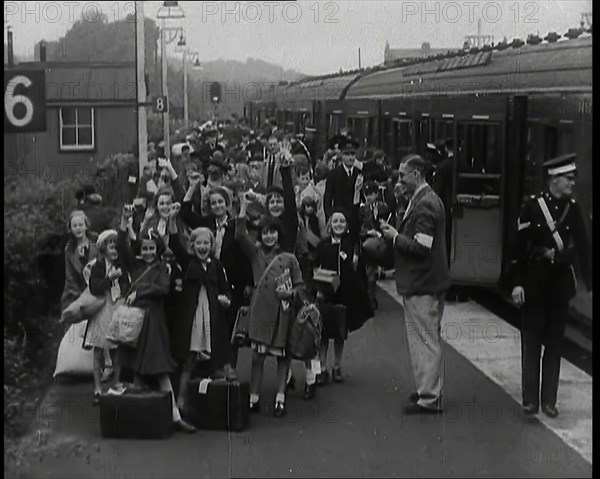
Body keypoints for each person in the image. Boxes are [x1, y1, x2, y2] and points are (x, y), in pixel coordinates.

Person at [510, 153, 592, 419]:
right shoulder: (532, 207)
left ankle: (549, 402)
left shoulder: (573, 207)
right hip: (534, 286)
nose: (572, 184)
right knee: (531, 344)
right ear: (554, 180)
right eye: (568, 179)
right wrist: (517, 283)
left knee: (555, 346)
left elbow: (583, 246)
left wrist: (591, 286)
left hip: (559, 288)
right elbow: (518, 248)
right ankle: (530, 401)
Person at [380, 154, 450, 414]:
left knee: (425, 340)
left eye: (403, 175)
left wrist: (395, 236)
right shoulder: (426, 200)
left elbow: (422, 247)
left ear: (417, 174)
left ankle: (429, 397)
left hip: (422, 282)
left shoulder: (424, 205)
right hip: (428, 281)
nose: (400, 180)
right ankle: (428, 389)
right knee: (427, 337)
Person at [116, 207, 196, 433]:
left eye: (152, 248)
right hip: (135, 322)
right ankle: (145, 418)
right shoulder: (135, 265)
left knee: (160, 370)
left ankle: (174, 415)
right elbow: (122, 246)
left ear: (158, 250)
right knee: (136, 369)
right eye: (145, 248)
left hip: (153, 323)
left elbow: (162, 289)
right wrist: (125, 219)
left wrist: (139, 293)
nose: (148, 252)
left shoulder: (163, 268)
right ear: (140, 249)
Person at [235, 206, 307, 417]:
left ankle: (280, 399)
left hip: (282, 312)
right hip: (261, 310)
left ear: (279, 234)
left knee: (282, 357)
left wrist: (291, 293)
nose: (269, 236)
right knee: (257, 357)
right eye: (265, 232)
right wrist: (242, 207)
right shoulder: (255, 252)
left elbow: (300, 285)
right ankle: (254, 398)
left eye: (272, 232)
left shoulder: (289, 258)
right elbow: (239, 235)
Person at [167, 221, 234, 412]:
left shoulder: (217, 264)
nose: (203, 247)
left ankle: (214, 405)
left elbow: (225, 289)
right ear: (192, 245)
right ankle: (180, 400)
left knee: (216, 361)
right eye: (199, 244)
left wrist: (226, 300)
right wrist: (172, 220)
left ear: (211, 245)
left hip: (212, 318)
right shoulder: (189, 263)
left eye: (206, 243)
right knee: (189, 359)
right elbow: (174, 243)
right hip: (193, 317)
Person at [315, 207, 373, 386]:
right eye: (335, 221)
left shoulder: (351, 246)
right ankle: (322, 368)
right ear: (330, 225)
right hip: (326, 294)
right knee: (323, 334)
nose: (338, 224)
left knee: (340, 333)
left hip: (344, 295)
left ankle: (337, 366)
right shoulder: (322, 245)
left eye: (342, 221)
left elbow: (357, 272)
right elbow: (316, 268)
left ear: (347, 226)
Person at [85, 229, 129, 403]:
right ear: (103, 248)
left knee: (117, 349)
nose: (114, 249)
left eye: (116, 245)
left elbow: (127, 285)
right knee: (98, 348)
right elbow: (94, 287)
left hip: (118, 308)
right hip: (103, 309)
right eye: (110, 245)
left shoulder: (122, 265)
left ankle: (117, 384)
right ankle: (97, 387)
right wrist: (109, 278)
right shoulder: (98, 265)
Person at [323, 138, 364, 249]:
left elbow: (362, 197)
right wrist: (330, 218)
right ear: (342, 156)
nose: (350, 157)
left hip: (354, 220)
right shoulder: (333, 174)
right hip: (339, 220)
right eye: (347, 154)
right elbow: (327, 199)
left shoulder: (359, 173)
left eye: (353, 154)